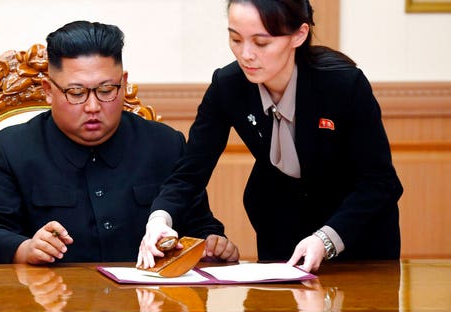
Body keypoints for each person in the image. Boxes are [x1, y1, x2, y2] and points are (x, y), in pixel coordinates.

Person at [137, 0, 402, 272]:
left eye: (261, 43)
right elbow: (189, 174)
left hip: (357, 234)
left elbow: (380, 182)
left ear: (299, 34)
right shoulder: (227, 86)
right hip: (280, 228)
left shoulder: (344, 85)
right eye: (235, 39)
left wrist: (325, 239)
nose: (246, 55)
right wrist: (159, 220)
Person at [0, 20, 239, 264]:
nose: (93, 106)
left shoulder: (165, 145)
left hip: (145, 305)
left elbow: (201, 228)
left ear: (124, 83)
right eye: (76, 93)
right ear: (48, 91)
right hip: (50, 306)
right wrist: (26, 248)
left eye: (106, 90)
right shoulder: (9, 150)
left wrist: (214, 244)